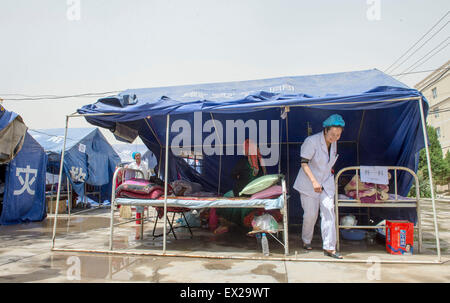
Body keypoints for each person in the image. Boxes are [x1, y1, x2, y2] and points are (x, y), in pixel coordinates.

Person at [293, 114, 345, 259]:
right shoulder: (311, 141)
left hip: (326, 182)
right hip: (309, 183)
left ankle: (329, 248)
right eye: (332, 134)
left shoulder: (333, 142)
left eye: (338, 135)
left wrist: (323, 179)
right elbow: (304, 163)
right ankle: (306, 240)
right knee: (311, 215)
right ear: (325, 130)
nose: (335, 137)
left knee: (329, 210)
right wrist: (314, 181)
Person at [213, 139, 267, 234]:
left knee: (222, 201)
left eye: (244, 148)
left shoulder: (243, 161)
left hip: (241, 192)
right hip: (257, 193)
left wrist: (240, 176)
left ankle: (224, 225)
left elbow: (233, 174)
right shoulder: (261, 161)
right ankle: (251, 230)